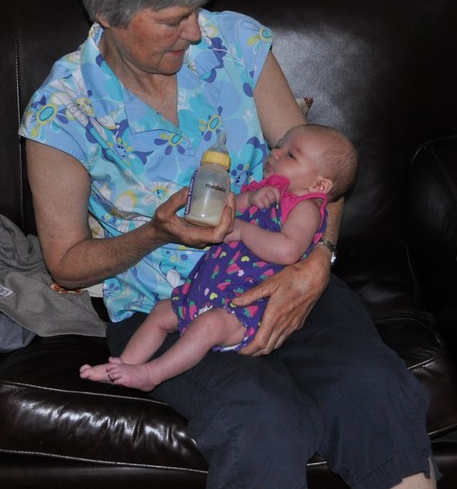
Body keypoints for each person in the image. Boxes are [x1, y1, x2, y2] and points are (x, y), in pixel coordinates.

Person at [19, 0, 434, 489]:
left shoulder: (235, 44)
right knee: (263, 420)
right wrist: (155, 233)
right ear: (106, 12)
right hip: (168, 308)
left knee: (372, 387)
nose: (194, 31)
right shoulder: (62, 113)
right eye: (172, 19)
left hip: (280, 272)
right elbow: (66, 263)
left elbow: (321, 177)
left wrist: (316, 262)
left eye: (196, 8)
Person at [80, 124, 358, 392]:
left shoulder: (304, 209)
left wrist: (244, 231)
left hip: (246, 306)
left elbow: (287, 251)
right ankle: (122, 366)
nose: (275, 153)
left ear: (319, 184)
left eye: (290, 155)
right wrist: (251, 198)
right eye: (279, 145)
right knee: (162, 312)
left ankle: (152, 374)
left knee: (207, 327)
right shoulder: (265, 190)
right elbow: (228, 208)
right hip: (211, 289)